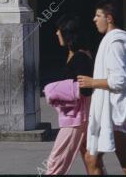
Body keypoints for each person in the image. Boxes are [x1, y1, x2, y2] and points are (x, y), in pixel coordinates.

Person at [77, 0, 126, 175]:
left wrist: (91, 82)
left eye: (98, 15)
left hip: (116, 114)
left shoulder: (115, 44)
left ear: (109, 18)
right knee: (90, 157)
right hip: (109, 112)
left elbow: (120, 80)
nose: (95, 19)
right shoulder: (115, 39)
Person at [43, 14, 94, 175]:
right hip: (80, 116)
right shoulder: (77, 54)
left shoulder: (80, 57)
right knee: (91, 160)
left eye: (59, 30)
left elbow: (85, 88)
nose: (56, 33)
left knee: (55, 163)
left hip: (75, 119)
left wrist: (53, 89)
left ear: (68, 33)